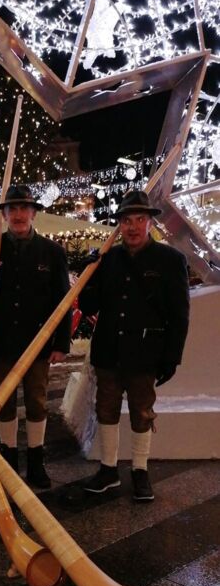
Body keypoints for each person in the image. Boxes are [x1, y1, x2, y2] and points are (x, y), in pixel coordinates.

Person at [79, 189, 190, 502]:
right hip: (109, 351)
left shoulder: (171, 260)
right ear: (119, 225)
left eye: (139, 219)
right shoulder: (107, 259)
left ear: (149, 223)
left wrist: (172, 358)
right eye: (126, 220)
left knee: (142, 412)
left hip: (145, 352)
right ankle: (108, 470)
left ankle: (140, 470)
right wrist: (88, 274)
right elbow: (88, 306)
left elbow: (179, 314)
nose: (132, 226)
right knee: (106, 409)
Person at [0, 184, 71, 488]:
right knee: (2, 402)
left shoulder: (51, 252)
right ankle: (7, 459)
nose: (19, 214)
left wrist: (61, 343)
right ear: (5, 215)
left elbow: (62, 300)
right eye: (13, 209)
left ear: (34, 213)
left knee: (37, 401)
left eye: (25, 208)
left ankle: (36, 460)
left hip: (38, 342)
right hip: (2, 341)